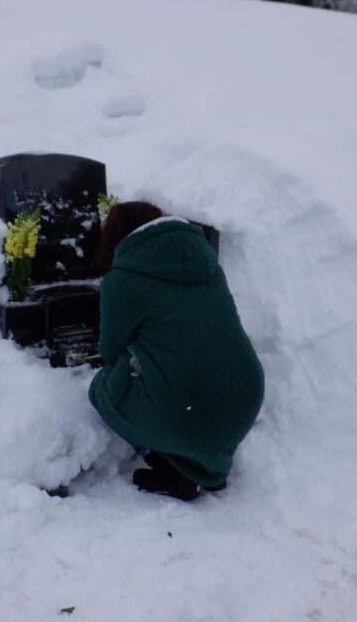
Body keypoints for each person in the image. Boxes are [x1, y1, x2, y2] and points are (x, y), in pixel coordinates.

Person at [88, 202, 265, 501]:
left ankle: (172, 466)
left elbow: (111, 351)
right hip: (244, 397)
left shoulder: (121, 281)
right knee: (178, 387)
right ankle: (197, 462)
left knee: (103, 389)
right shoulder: (208, 264)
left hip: (186, 407)